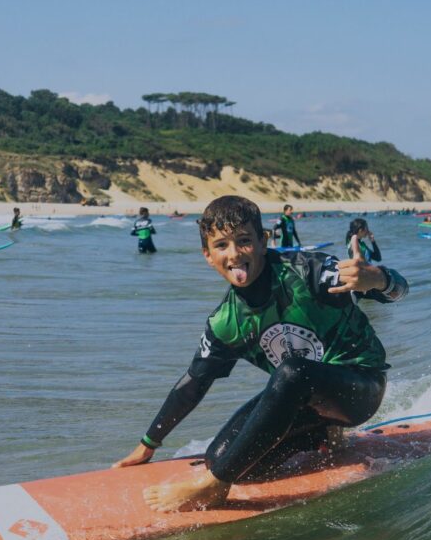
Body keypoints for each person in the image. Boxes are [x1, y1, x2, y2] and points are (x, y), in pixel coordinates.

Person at [113, 195, 409, 512]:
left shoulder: (308, 271)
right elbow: (192, 385)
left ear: (263, 242)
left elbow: (399, 290)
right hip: (308, 406)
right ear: (207, 255)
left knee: (293, 372)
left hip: (360, 388)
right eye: (221, 245)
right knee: (224, 459)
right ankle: (321, 435)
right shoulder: (226, 322)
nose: (235, 254)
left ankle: (214, 486)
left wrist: (379, 278)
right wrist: (148, 445)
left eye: (244, 241)